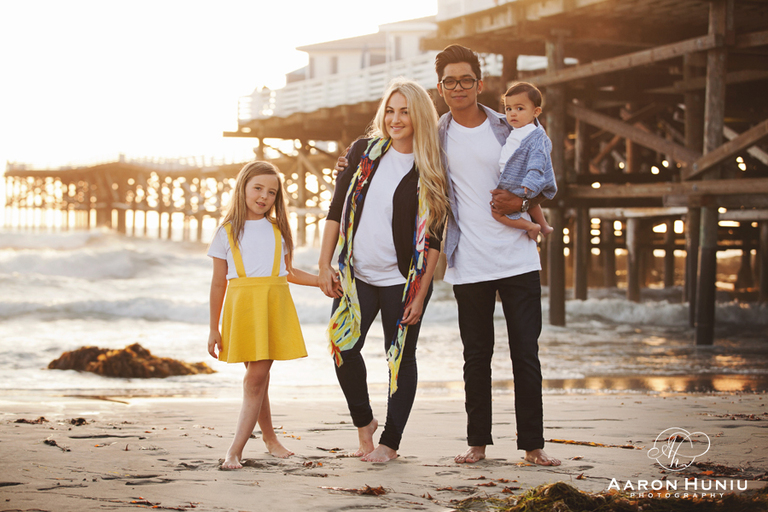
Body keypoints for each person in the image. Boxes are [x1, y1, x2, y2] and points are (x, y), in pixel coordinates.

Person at [434, 44, 560, 466]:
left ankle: (533, 446)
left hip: (518, 256)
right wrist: (348, 161)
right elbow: (389, 143)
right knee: (476, 357)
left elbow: (542, 173)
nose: (458, 87)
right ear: (440, 87)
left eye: (466, 79)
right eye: (450, 81)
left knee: (526, 352)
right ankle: (477, 443)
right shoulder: (437, 134)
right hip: (468, 261)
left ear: (479, 84)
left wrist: (522, 204)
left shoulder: (509, 126)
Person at [318, 78, 449, 463]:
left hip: (401, 282)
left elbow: (434, 239)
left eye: (405, 111)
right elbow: (335, 209)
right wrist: (324, 264)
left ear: (420, 115)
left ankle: (390, 443)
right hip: (356, 276)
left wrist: (420, 294)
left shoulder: (431, 167)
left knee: (400, 359)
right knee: (342, 348)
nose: (396, 119)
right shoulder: (363, 152)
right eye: (390, 111)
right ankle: (365, 424)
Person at [207, 161, 319, 470]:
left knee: (255, 379)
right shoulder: (225, 232)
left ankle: (235, 450)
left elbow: (289, 271)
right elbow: (218, 282)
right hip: (242, 309)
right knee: (259, 379)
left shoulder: (277, 229)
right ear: (242, 188)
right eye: (257, 188)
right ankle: (270, 440)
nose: (263, 196)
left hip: (272, 305)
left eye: (271, 192)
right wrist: (213, 328)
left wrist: (321, 280)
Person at [493, 82, 556, 240]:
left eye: (520, 109)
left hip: (520, 180)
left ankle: (531, 226)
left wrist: (531, 180)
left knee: (497, 212)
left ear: (536, 112)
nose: (513, 114)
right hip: (513, 178)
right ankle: (544, 225)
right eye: (508, 109)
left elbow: (538, 160)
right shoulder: (518, 130)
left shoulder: (534, 136)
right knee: (532, 205)